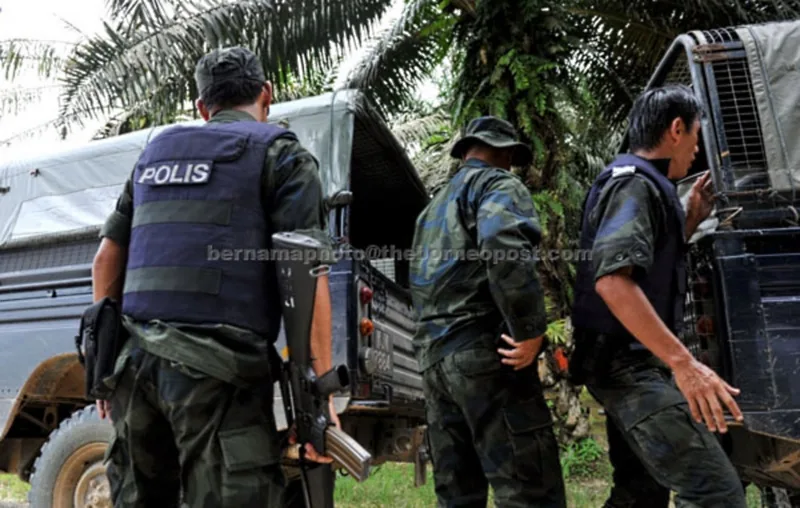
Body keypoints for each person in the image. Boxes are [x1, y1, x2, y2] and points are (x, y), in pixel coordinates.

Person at [91, 46, 337, 507]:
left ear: (202, 107)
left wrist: (104, 368)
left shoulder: (155, 154)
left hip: (135, 370)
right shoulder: (282, 156)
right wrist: (318, 398)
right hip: (218, 375)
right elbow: (305, 271)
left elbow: (106, 259)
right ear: (267, 95)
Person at [569, 84, 747, 507]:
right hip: (626, 367)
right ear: (676, 129)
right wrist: (684, 364)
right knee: (716, 492)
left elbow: (646, 265)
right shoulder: (633, 184)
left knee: (640, 495)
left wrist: (689, 220)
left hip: (620, 362)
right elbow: (613, 281)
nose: (696, 149)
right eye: (696, 136)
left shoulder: (644, 185)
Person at [408, 116, 567, 507]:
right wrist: (529, 330)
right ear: (506, 154)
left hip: (435, 364)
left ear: (465, 152)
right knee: (529, 491)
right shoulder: (498, 184)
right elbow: (503, 243)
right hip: (485, 356)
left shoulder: (430, 211)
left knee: (458, 494)